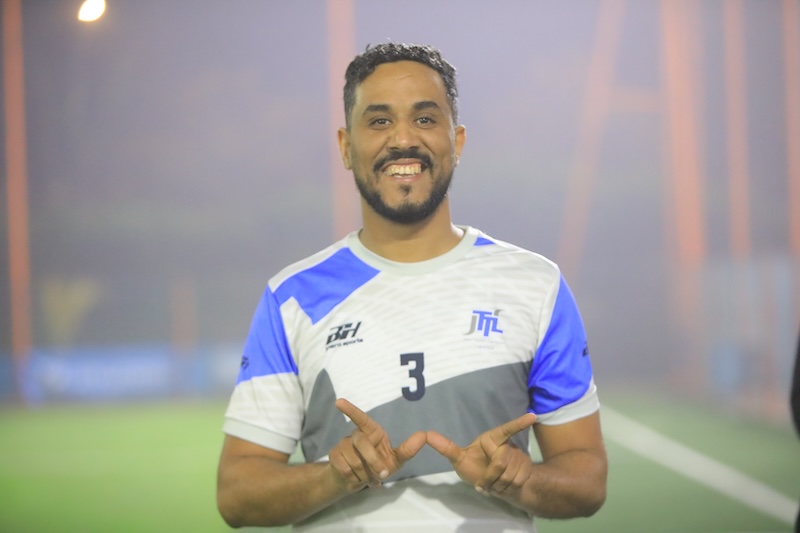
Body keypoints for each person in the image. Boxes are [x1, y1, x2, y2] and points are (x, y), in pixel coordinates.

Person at [216, 42, 608, 532]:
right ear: (345, 146)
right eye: (379, 121)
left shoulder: (535, 284)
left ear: (457, 141)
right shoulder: (291, 296)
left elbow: (587, 480)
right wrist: (334, 477)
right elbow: (237, 495)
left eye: (424, 119)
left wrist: (519, 479)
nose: (403, 139)